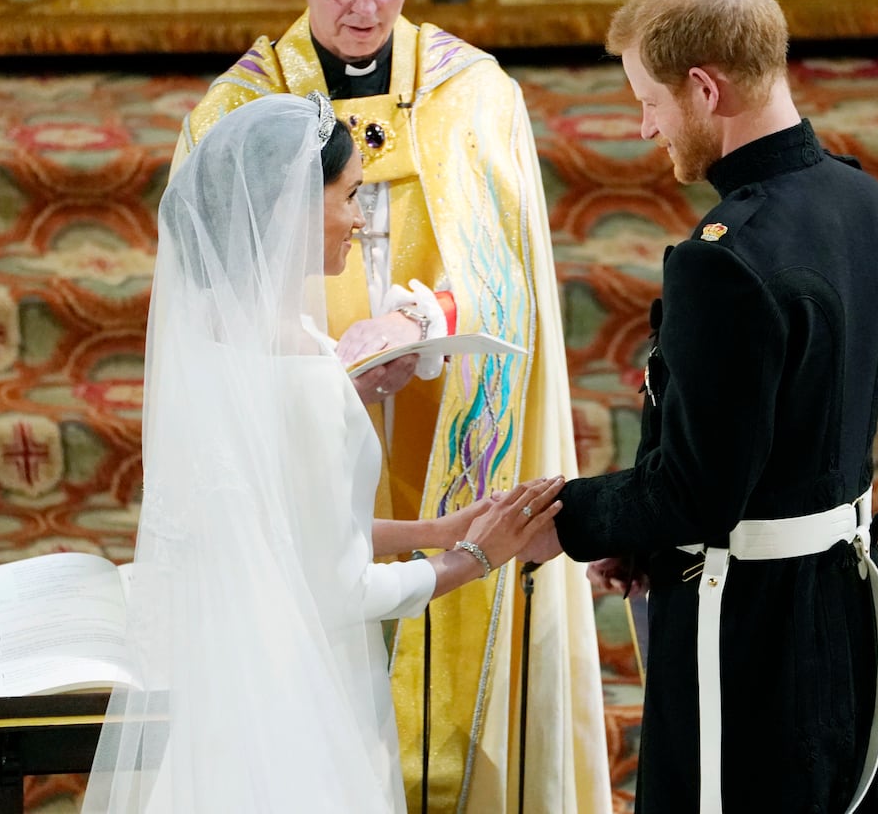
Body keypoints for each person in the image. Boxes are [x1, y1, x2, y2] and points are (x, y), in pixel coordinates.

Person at [169, 0, 610, 814]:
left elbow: (511, 275)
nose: (366, 6)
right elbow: (204, 304)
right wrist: (320, 378)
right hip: (299, 420)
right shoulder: (239, 113)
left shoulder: (474, 95)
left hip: (448, 423)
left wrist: (418, 318)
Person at [82, 93, 566, 813]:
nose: (361, 219)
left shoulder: (215, 346)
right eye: (350, 197)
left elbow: (285, 535)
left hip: (227, 676)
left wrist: (435, 530)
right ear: (294, 208)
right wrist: (476, 560)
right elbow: (338, 592)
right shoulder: (306, 376)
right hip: (299, 690)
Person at [521, 0, 878, 813]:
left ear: (704, 88)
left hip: (750, 633)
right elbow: (871, 389)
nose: (642, 128)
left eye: (650, 102)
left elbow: (697, 492)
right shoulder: (865, 200)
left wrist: (564, 520)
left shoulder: (723, 260)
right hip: (847, 601)